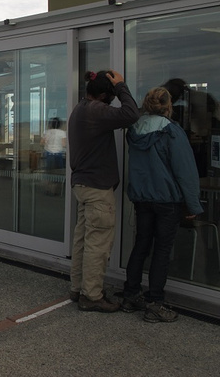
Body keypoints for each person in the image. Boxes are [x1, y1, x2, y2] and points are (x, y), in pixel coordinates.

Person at [121, 87, 203, 323]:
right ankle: (155, 303)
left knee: (141, 245)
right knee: (162, 251)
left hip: (142, 198)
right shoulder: (172, 132)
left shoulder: (134, 130)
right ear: (168, 107)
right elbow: (185, 171)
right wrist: (193, 204)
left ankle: (130, 295)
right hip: (167, 200)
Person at [68, 70, 141, 312]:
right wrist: (121, 87)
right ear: (102, 95)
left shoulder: (80, 109)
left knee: (82, 241)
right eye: (110, 96)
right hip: (98, 187)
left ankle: (78, 288)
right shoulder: (96, 111)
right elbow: (131, 114)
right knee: (97, 244)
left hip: (83, 184)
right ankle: (92, 295)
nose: (112, 101)